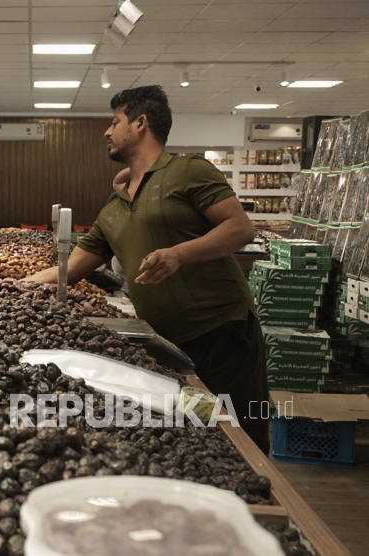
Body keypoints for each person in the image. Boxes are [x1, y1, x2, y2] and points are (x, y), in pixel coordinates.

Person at [29, 86, 268, 453]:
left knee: (241, 438)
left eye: (115, 122)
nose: (107, 132)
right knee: (195, 442)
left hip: (223, 333)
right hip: (167, 346)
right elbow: (70, 268)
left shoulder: (188, 171)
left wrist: (178, 254)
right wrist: (8, 283)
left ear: (140, 123)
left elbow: (239, 228)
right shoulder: (113, 207)